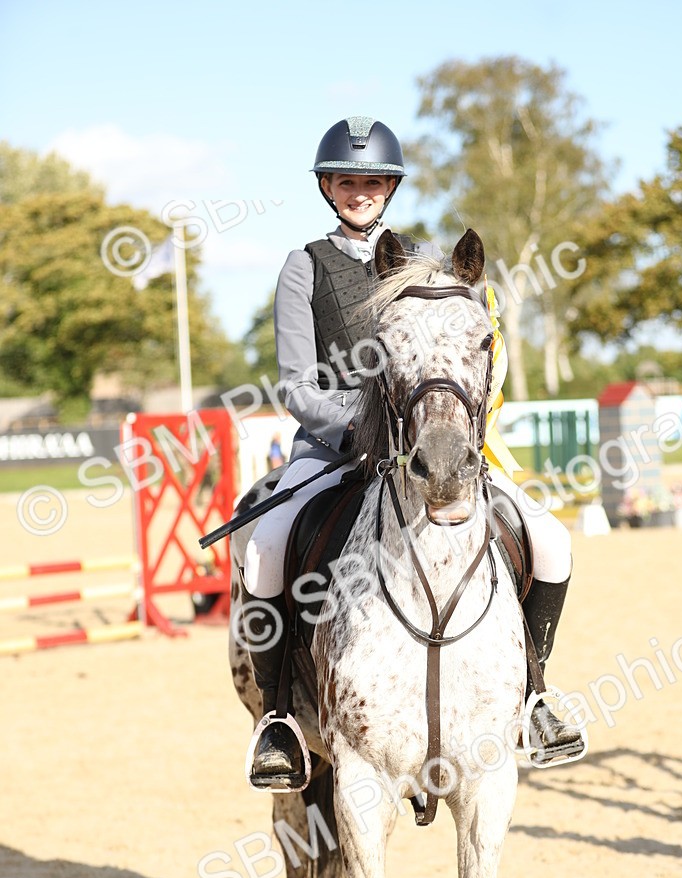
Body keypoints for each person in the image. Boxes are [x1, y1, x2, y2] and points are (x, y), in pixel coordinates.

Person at [242, 116, 584, 791]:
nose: (360, 191)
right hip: (333, 450)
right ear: (328, 187)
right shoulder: (302, 267)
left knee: (550, 541)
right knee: (266, 547)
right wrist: (359, 428)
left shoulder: (430, 262)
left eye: (373, 181)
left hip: (434, 444)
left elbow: (470, 348)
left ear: (390, 186)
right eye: (348, 181)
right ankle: (279, 718)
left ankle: (536, 692)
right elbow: (295, 383)